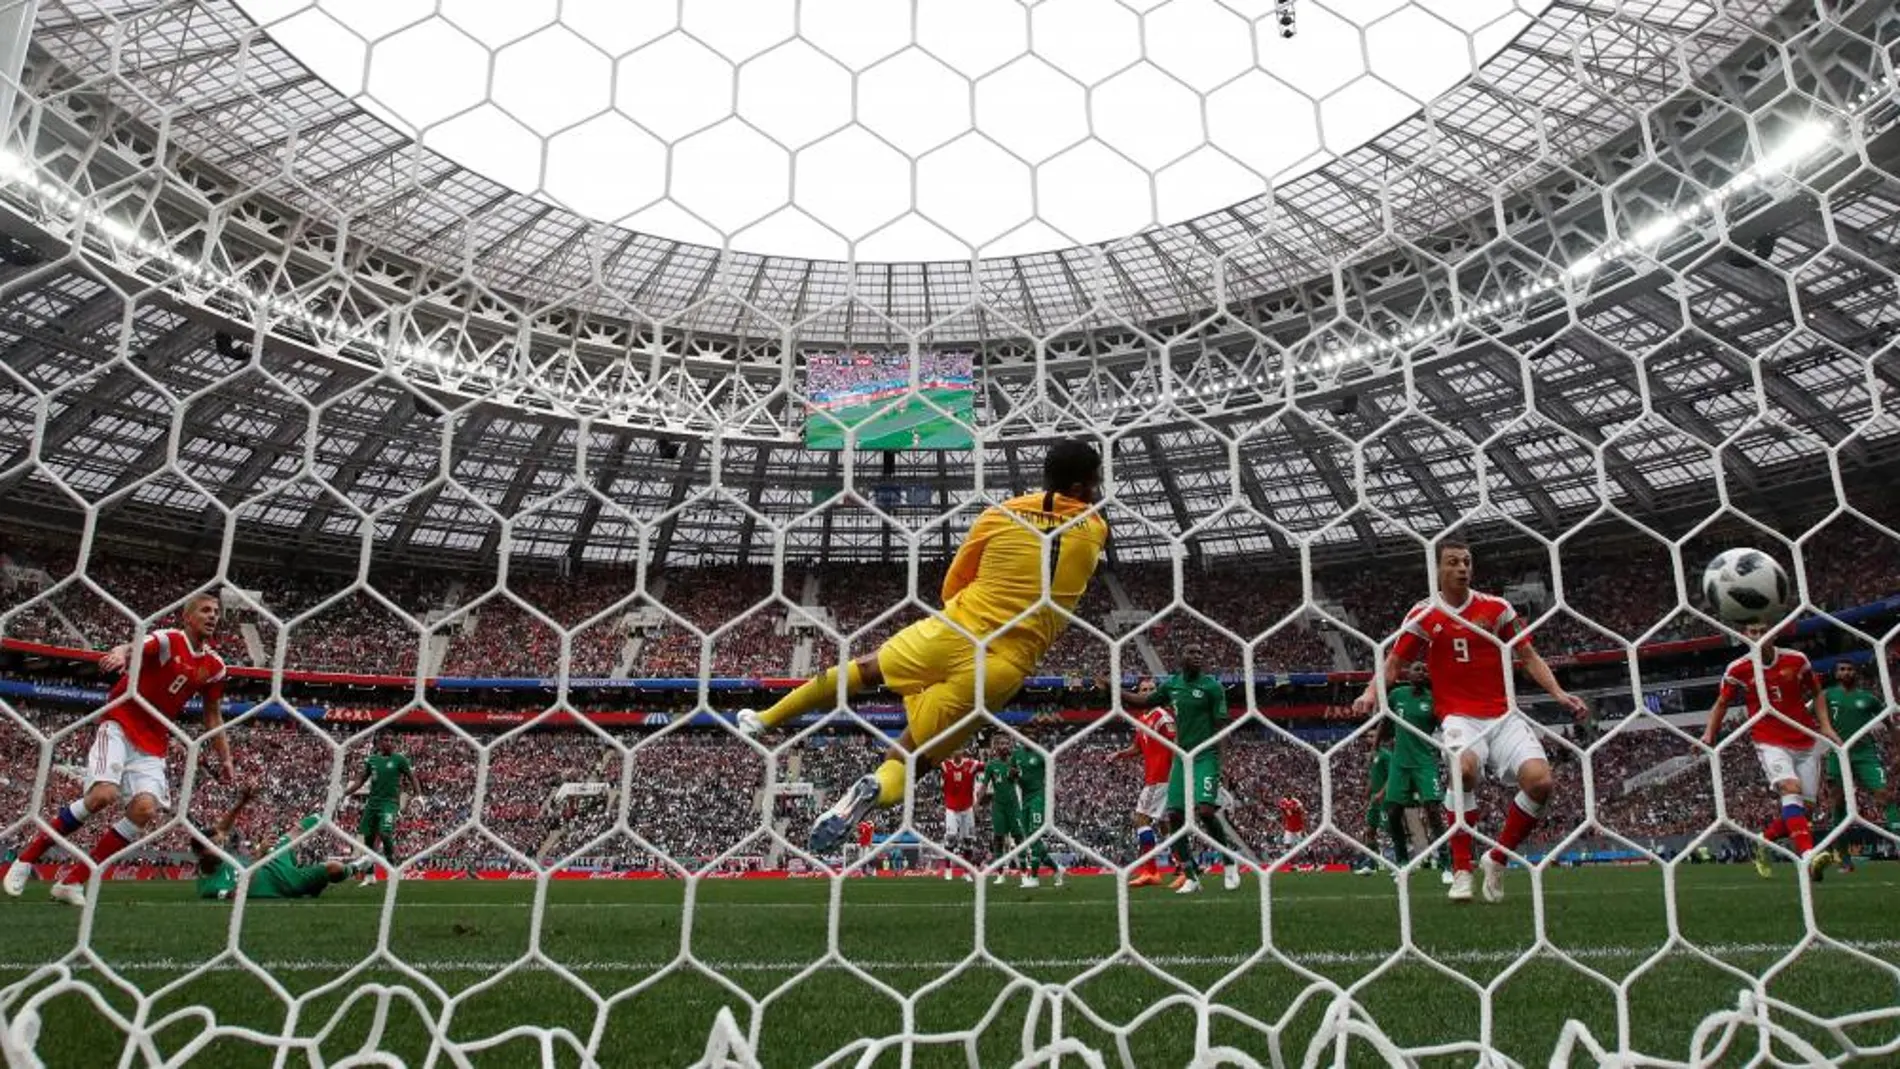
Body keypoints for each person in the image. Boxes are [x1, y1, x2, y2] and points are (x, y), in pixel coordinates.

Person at [738, 440, 1109, 852]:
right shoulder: (1095, 529)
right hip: (1004, 666)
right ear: (1077, 489)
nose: (1097, 492)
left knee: (865, 669)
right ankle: (876, 786)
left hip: (956, 631)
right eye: (1094, 484)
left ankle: (766, 718)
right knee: (913, 757)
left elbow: (953, 582)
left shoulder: (998, 515)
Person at [1351, 541, 1587, 904]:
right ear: (1439, 570)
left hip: (1503, 716)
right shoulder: (1424, 614)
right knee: (1464, 770)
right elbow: (1394, 664)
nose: (1462, 568)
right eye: (1453, 562)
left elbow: (1528, 655)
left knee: (1541, 783)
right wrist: (1370, 693)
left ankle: (1496, 858)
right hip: (1459, 716)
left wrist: (1558, 694)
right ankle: (1462, 869)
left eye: (1467, 562)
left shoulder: (1497, 609)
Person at [6, 593, 235, 905]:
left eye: (216, 611)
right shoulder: (170, 640)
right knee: (103, 795)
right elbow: (137, 645)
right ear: (188, 618)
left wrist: (225, 758)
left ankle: (72, 882)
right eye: (205, 610)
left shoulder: (215, 666)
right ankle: (26, 858)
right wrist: (122, 652)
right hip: (119, 722)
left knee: (144, 810)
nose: (213, 616)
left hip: (154, 740)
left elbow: (212, 714)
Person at [1702, 622, 1842, 881]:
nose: (1758, 636)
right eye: (1752, 632)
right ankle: (1809, 858)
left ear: (1775, 633)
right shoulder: (1738, 668)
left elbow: (1817, 692)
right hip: (1769, 741)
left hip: (1806, 740)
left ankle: (1763, 843)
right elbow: (1722, 703)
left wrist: (1825, 725)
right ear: (1744, 635)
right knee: (1791, 788)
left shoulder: (1797, 660)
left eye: (1762, 631)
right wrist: (1710, 733)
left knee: (1805, 811)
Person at [1126, 646, 1239, 894]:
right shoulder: (1172, 685)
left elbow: (1221, 726)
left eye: (1201, 653)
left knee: (1206, 811)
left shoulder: (1212, 687)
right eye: (1192, 653)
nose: (1198, 656)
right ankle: (1191, 876)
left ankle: (1229, 863)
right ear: (1182, 659)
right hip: (1181, 757)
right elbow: (1144, 701)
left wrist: (1221, 763)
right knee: (1174, 816)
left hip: (1205, 755)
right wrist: (1115, 691)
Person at [192, 784, 368, 900]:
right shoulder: (210, 887)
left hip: (270, 859)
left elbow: (221, 830)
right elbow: (237, 895)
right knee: (333, 868)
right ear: (200, 853)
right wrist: (258, 856)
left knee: (294, 832)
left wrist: (242, 802)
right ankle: (357, 866)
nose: (221, 848)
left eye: (220, 844)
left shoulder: (215, 856)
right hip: (283, 882)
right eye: (215, 846)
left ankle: (330, 813)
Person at [1384, 661, 1453, 884]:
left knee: (1433, 810)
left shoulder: (1434, 700)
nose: (1422, 672)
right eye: (1417, 669)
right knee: (1393, 811)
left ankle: (1447, 865)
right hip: (1400, 761)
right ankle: (1403, 863)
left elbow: (1444, 727)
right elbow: (1385, 722)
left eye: (1425, 670)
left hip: (1424, 761)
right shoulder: (1396, 695)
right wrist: (1376, 745)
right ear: (1408, 673)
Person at [1820, 660, 1892, 873]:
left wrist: (1897, 749)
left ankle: (1895, 841)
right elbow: (1807, 716)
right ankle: (1844, 859)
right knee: (1838, 805)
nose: (1846, 672)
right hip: (1837, 754)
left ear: (1856, 673)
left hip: (1865, 754)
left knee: (1884, 794)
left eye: (1850, 668)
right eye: (1842, 669)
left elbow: (1889, 723)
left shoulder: (1868, 698)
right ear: (1835, 673)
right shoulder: (1826, 696)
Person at [342, 732, 422, 886]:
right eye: (386, 739)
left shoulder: (399, 759)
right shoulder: (372, 760)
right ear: (379, 743)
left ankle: (393, 868)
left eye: (392, 740)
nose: (389, 742)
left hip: (390, 803)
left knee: (385, 833)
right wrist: (346, 793)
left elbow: (412, 776)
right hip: (372, 803)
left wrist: (419, 795)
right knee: (368, 840)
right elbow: (361, 779)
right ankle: (370, 875)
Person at [1114, 702, 1177, 887]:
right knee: (1166, 825)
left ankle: (1151, 871)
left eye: (1150, 689)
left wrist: (1174, 773)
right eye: (1142, 689)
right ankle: (1185, 866)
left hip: (1160, 777)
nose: (1146, 692)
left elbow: (1174, 745)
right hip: (1155, 777)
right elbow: (1137, 748)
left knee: (1141, 819)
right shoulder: (1142, 719)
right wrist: (1120, 754)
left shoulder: (1162, 716)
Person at [1009, 728, 1064, 888]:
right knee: (1030, 838)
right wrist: (1012, 774)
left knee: (1035, 834)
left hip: (1038, 797)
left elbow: (1052, 773)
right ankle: (1056, 868)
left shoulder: (1042, 754)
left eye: (1034, 736)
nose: (1031, 739)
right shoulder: (1016, 755)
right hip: (1024, 799)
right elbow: (1011, 778)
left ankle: (1033, 877)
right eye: (1028, 736)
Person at [978, 734, 1021, 886]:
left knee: (1018, 837)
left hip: (1013, 805)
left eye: (1006, 744)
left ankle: (1024, 874)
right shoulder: (991, 765)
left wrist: (1016, 775)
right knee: (998, 839)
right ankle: (1000, 874)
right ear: (996, 747)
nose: (1004, 746)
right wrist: (977, 803)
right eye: (1001, 744)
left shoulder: (1015, 762)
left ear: (1010, 746)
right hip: (998, 806)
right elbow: (984, 785)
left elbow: (1020, 780)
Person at [938, 752, 981, 880]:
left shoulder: (971, 764)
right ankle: (948, 870)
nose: (957, 752)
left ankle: (966, 872)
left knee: (968, 841)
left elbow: (989, 766)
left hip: (967, 808)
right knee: (950, 838)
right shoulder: (945, 765)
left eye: (959, 748)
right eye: (954, 749)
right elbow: (930, 762)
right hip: (951, 808)